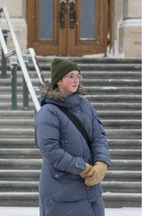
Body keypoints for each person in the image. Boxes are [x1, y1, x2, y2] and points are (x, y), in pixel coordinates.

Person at [35, 58, 111, 216]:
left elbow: (98, 136)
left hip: (90, 191)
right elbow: (50, 150)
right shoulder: (48, 112)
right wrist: (82, 168)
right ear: (59, 81)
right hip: (61, 192)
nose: (76, 80)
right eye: (70, 76)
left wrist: (101, 163)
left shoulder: (85, 106)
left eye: (78, 76)